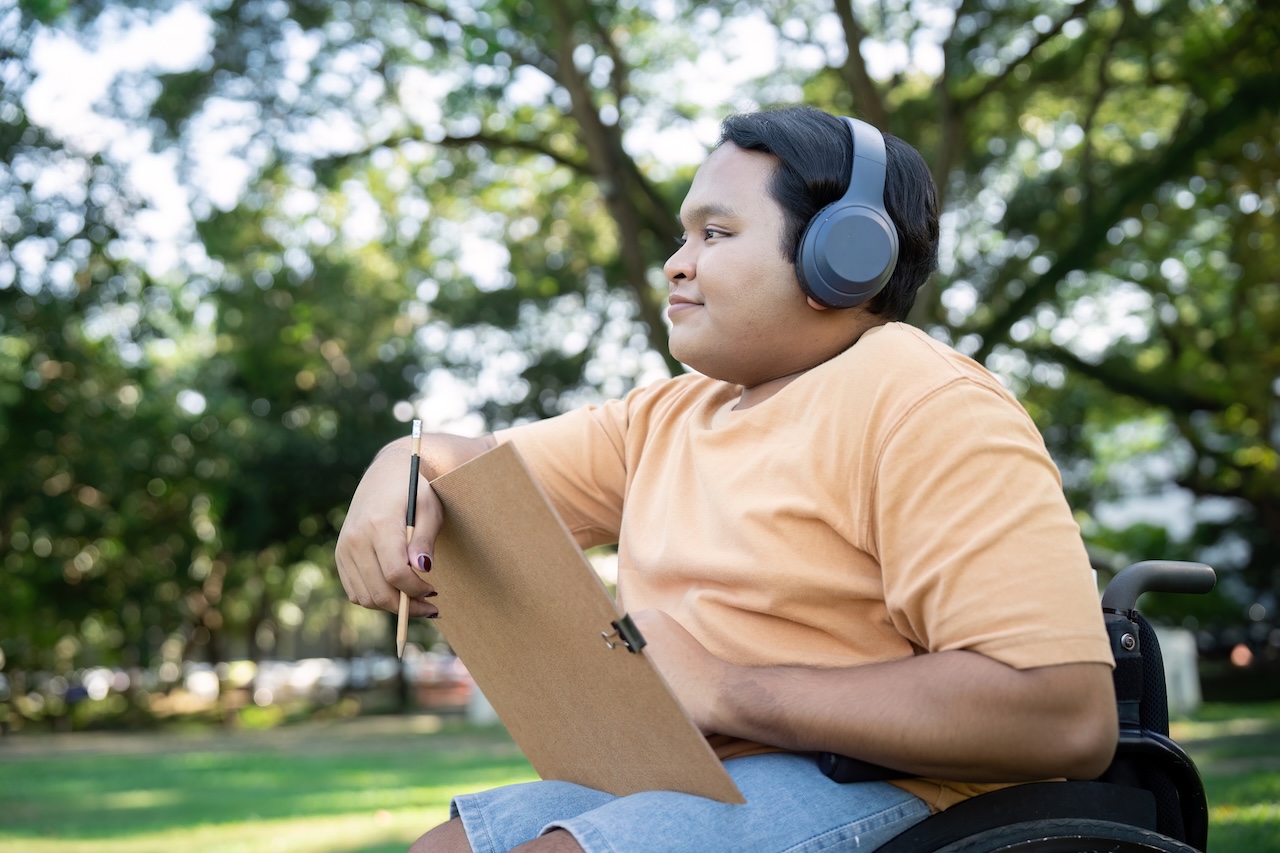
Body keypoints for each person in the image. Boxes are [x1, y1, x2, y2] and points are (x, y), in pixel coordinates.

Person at [335, 105, 1118, 853]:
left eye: (715, 232)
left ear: (845, 255)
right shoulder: (665, 416)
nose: (677, 262)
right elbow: (458, 463)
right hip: (704, 774)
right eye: (683, 235)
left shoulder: (927, 404)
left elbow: (1065, 714)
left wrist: (727, 688)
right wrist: (397, 467)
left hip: (917, 789)